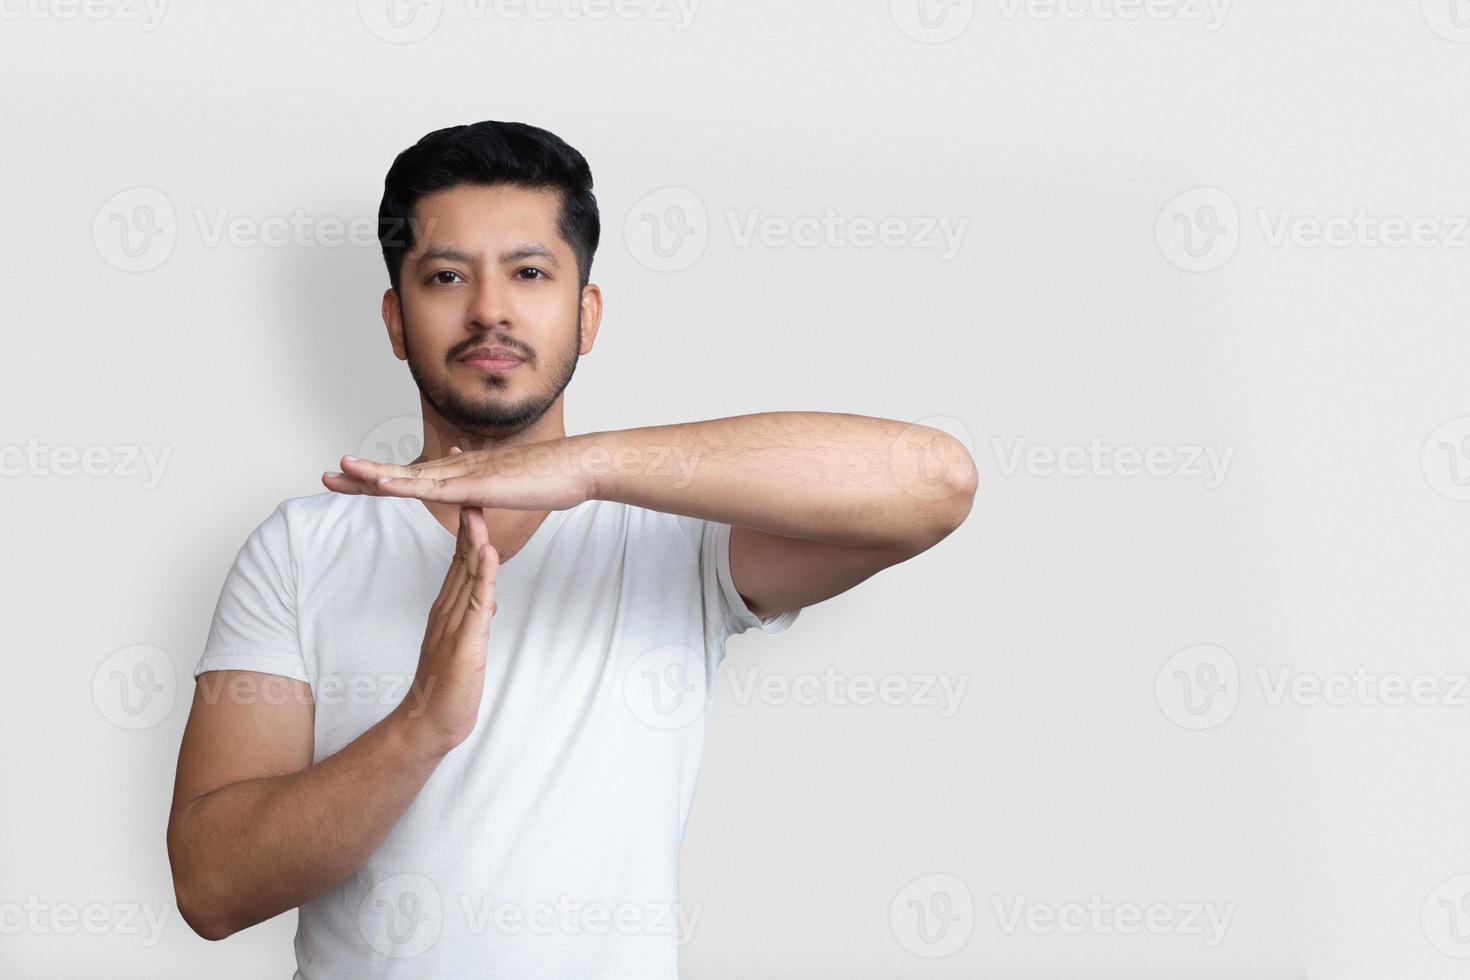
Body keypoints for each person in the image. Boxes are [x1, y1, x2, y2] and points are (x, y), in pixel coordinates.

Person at [165, 119, 977, 978]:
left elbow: (936, 481)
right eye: (447, 276)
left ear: (585, 315)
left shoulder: (673, 535)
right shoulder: (301, 546)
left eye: (529, 273)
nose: (489, 308)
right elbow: (212, 888)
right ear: (396, 321)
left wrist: (581, 471)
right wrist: (420, 727)